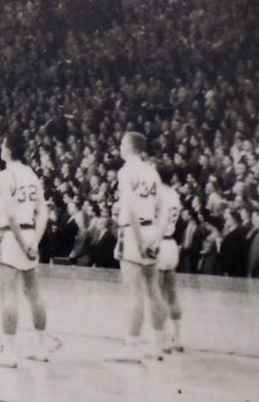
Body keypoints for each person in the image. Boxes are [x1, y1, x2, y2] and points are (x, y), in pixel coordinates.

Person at [0, 132, 49, 367]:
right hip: (30, 233)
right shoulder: (32, 175)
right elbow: (43, 212)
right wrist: (34, 241)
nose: (1, 149)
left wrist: (24, 245)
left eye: (3, 145)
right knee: (35, 294)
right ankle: (42, 347)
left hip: (11, 237)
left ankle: (10, 351)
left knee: (8, 294)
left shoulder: (5, 175)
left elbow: (11, 214)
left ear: (9, 150)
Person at [109, 131, 167, 362]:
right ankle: (158, 344)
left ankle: (132, 345)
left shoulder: (126, 171)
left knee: (133, 291)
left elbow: (131, 209)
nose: (120, 145)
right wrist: (155, 237)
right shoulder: (151, 171)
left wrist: (140, 242)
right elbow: (163, 208)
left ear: (130, 146)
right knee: (153, 290)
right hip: (151, 228)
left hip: (133, 233)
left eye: (122, 142)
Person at [154, 162, 184, 352]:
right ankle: (178, 338)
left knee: (157, 294)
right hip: (172, 243)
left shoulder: (158, 195)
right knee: (172, 294)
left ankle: (162, 339)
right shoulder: (175, 195)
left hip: (158, 242)